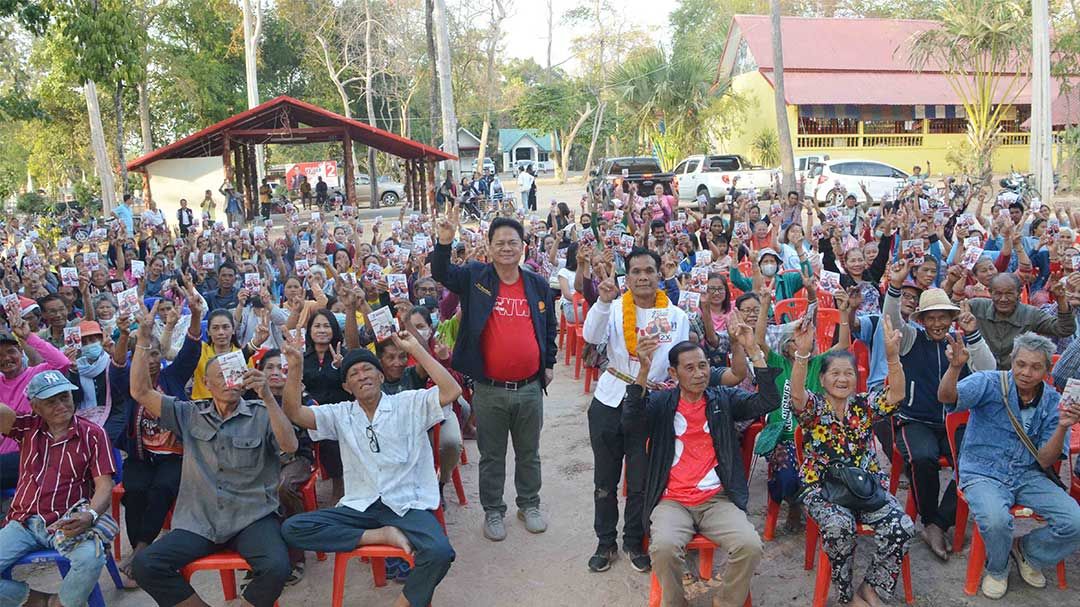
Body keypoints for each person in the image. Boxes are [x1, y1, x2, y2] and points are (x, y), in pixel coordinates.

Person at [129, 308, 298, 607]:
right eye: (221, 376)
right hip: (200, 521)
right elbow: (140, 391)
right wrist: (143, 339)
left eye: (234, 374)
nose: (230, 382)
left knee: (277, 567)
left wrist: (268, 397)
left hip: (252, 517)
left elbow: (291, 445)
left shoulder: (261, 412)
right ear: (207, 383)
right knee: (145, 564)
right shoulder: (189, 414)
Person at [280, 328, 461, 607]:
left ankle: (402, 603)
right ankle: (380, 535)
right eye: (353, 374)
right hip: (361, 506)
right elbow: (295, 413)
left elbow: (452, 391)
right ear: (346, 387)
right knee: (293, 528)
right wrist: (295, 368)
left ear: (380, 375)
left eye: (367, 369)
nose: (362, 376)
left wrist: (416, 350)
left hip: (406, 504)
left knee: (439, 552)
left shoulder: (408, 402)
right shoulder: (341, 414)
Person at [622, 332, 777, 607]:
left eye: (703, 366)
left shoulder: (722, 399)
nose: (698, 374)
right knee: (664, 548)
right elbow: (632, 424)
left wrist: (755, 352)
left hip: (716, 499)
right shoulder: (662, 404)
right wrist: (643, 370)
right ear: (674, 372)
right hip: (672, 500)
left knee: (749, 545)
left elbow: (767, 402)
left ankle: (726, 602)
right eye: (689, 368)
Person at [431, 209, 556, 542]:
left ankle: (529, 504)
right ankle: (493, 511)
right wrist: (445, 241)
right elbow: (441, 272)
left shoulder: (538, 285)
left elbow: (549, 328)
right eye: (499, 242)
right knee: (492, 455)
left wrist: (549, 363)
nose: (506, 248)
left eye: (512, 242)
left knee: (529, 453)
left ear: (523, 248)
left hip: (530, 388)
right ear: (488, 247)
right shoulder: (476, 277)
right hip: (489, 389)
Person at [938, 332, 1080, 600]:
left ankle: (1028, 551)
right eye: (1021, 364)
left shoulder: (1052, 402)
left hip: (1028, 473)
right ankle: (997, 567)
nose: (1026, 372)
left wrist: (1063, 425)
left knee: (1075, 522)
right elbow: (947, 397)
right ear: (1012, 362)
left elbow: (1045, 460)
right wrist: (955, 367)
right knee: (995, 520)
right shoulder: (989, 382)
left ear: (1048, 371)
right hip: (983, 471)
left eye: (1036, 367)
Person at [790, 314, 914, 607]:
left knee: (902, 526)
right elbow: (795, 396)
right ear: (822, 379)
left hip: (866, 485)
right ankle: (846, 597)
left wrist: (893, 357)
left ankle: (872, 588)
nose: (842, 379)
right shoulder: (814, 408)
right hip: (822, 489)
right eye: (835, 373)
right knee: (838, 527)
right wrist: (802, 355)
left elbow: (897, 394)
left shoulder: (863, 405)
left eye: (848, 373)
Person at [883, 276, 997, 561]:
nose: (937, 324)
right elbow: (891, 319)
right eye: (931, 318)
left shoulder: (960, 342)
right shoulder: (910, 338)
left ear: (951, 319)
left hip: (954, 421)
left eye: (943, 318)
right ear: (921, 320)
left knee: (974, 460)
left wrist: (972, 334)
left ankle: (940, 522)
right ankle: (929, 518)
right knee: (922, 458)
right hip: (915, 419)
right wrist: (894, 288)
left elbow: (988, 368)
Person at [0, 370, 116, 607]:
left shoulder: (93, 434)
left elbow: (105, 485)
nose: (61, 405)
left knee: (90, 559)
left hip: (67, 521)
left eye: (65, 397)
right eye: (51, 401)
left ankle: (61, 604)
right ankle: (39, 602)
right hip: (23, 522)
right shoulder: (27, 428)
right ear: (35, 407)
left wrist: (89, 515)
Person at [255, 349, 314, 585]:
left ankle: (296, 554)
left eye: (282, 368)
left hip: (297, 458)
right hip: (264, 461)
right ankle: (263, 557)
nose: (276, 373)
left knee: (282, 487)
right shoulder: (252, 398)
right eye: (270, 367)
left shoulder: (302, 397)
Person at [0, 320, 72, 493]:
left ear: (21, 351)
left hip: (29, 454)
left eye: (11, 352)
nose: (6, 359)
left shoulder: (38, 374)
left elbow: (62, 363)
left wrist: (29, 337)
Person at [967, 272, 1075, 368]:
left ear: (1019, 293)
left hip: (1016, 376)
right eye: (998, 293)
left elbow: (1064, 329)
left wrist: (1061, 301)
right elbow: (953, 312)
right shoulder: (977, 306)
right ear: (990, 292)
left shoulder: (1031, 314)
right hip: (980, 373)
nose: (1003, 299)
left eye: (1009, 294)